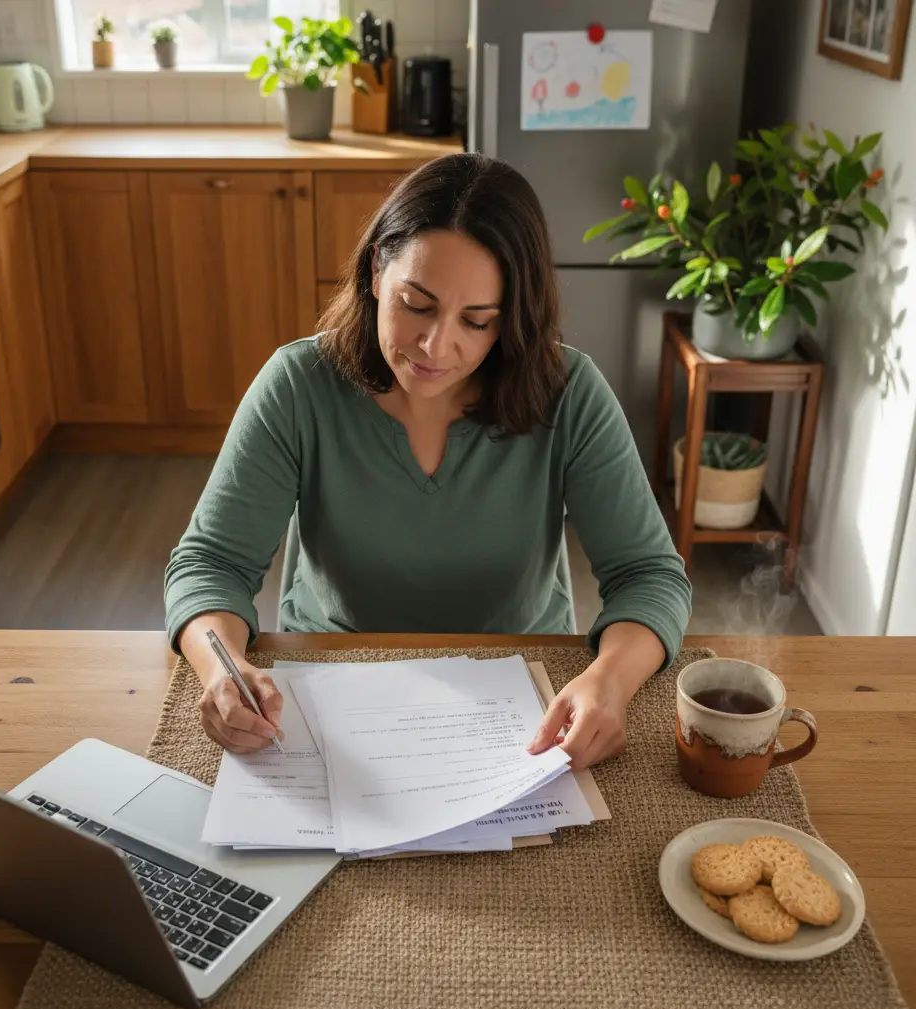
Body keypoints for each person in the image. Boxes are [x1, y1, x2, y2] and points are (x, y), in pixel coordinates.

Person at [164, 152, 691, 772]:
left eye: (477, 321)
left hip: (522, 691)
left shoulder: (568, 391)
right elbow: (210, 563)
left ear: (512, 321)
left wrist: (610, 680)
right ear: (373, 276)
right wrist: (221, 669)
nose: (438, 346)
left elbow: (649, 575)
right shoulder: (297, 385)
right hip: (328, 688)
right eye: (416, 304)